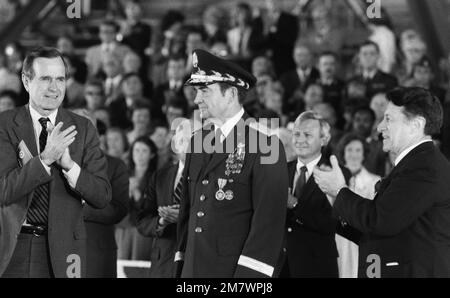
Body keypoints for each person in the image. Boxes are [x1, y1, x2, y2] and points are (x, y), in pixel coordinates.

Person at [313, 87, 450, 278]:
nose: (379, 127)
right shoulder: (417, 163)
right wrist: (336, 199)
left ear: (416, 125)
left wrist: (340, 190)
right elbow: (376, 230)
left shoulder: (423, 167)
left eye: (389, 119)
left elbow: (380, 221)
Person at [175, 49, 288, 278]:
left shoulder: (266, 146)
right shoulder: (198, 141)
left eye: (204, 90)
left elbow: (267, 227)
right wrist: (180, 266)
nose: (196, 99)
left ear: (231, 93)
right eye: (197, 91)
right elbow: (188, 215)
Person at [0, 47, 111, 278]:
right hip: (13, 248)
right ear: (26, 81)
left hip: (65, 254)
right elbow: (4, 190)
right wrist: (46, 159)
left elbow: (102, 196)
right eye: (46, 79)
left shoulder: (83, 128)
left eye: (60, 79)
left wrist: (70, 167)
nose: (54, 87)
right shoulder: (5, 125)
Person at [279, 111, 350, 278]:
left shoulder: (337, 173)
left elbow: (331, 222)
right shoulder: (280, 170)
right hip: (280, 265)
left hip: (317, 266)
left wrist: (294, 204)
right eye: (296, 134)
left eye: (308, 135)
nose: (300, 139)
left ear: (324, 139)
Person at [73, 109, 129, 278]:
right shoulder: (52, 165)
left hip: (96, 256)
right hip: (57, 252)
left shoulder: (115, 166)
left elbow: (117, 210)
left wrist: (79, 206)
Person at [137, 118, 191, 277]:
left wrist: (182, 217)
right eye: (182, 140)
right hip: (163, 262)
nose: (187, 146)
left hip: (193, 260)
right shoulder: (160, 176)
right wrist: (162, 221)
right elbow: (142, 221)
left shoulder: (210, 177)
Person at [335, 133, 380, 278]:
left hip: (362, 242)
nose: (354, 155)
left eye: (358, 150)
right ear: (343, 152)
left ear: (364, 154)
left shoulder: (376, 182)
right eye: (350, 150)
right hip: (337, 242)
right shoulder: (331, 178)